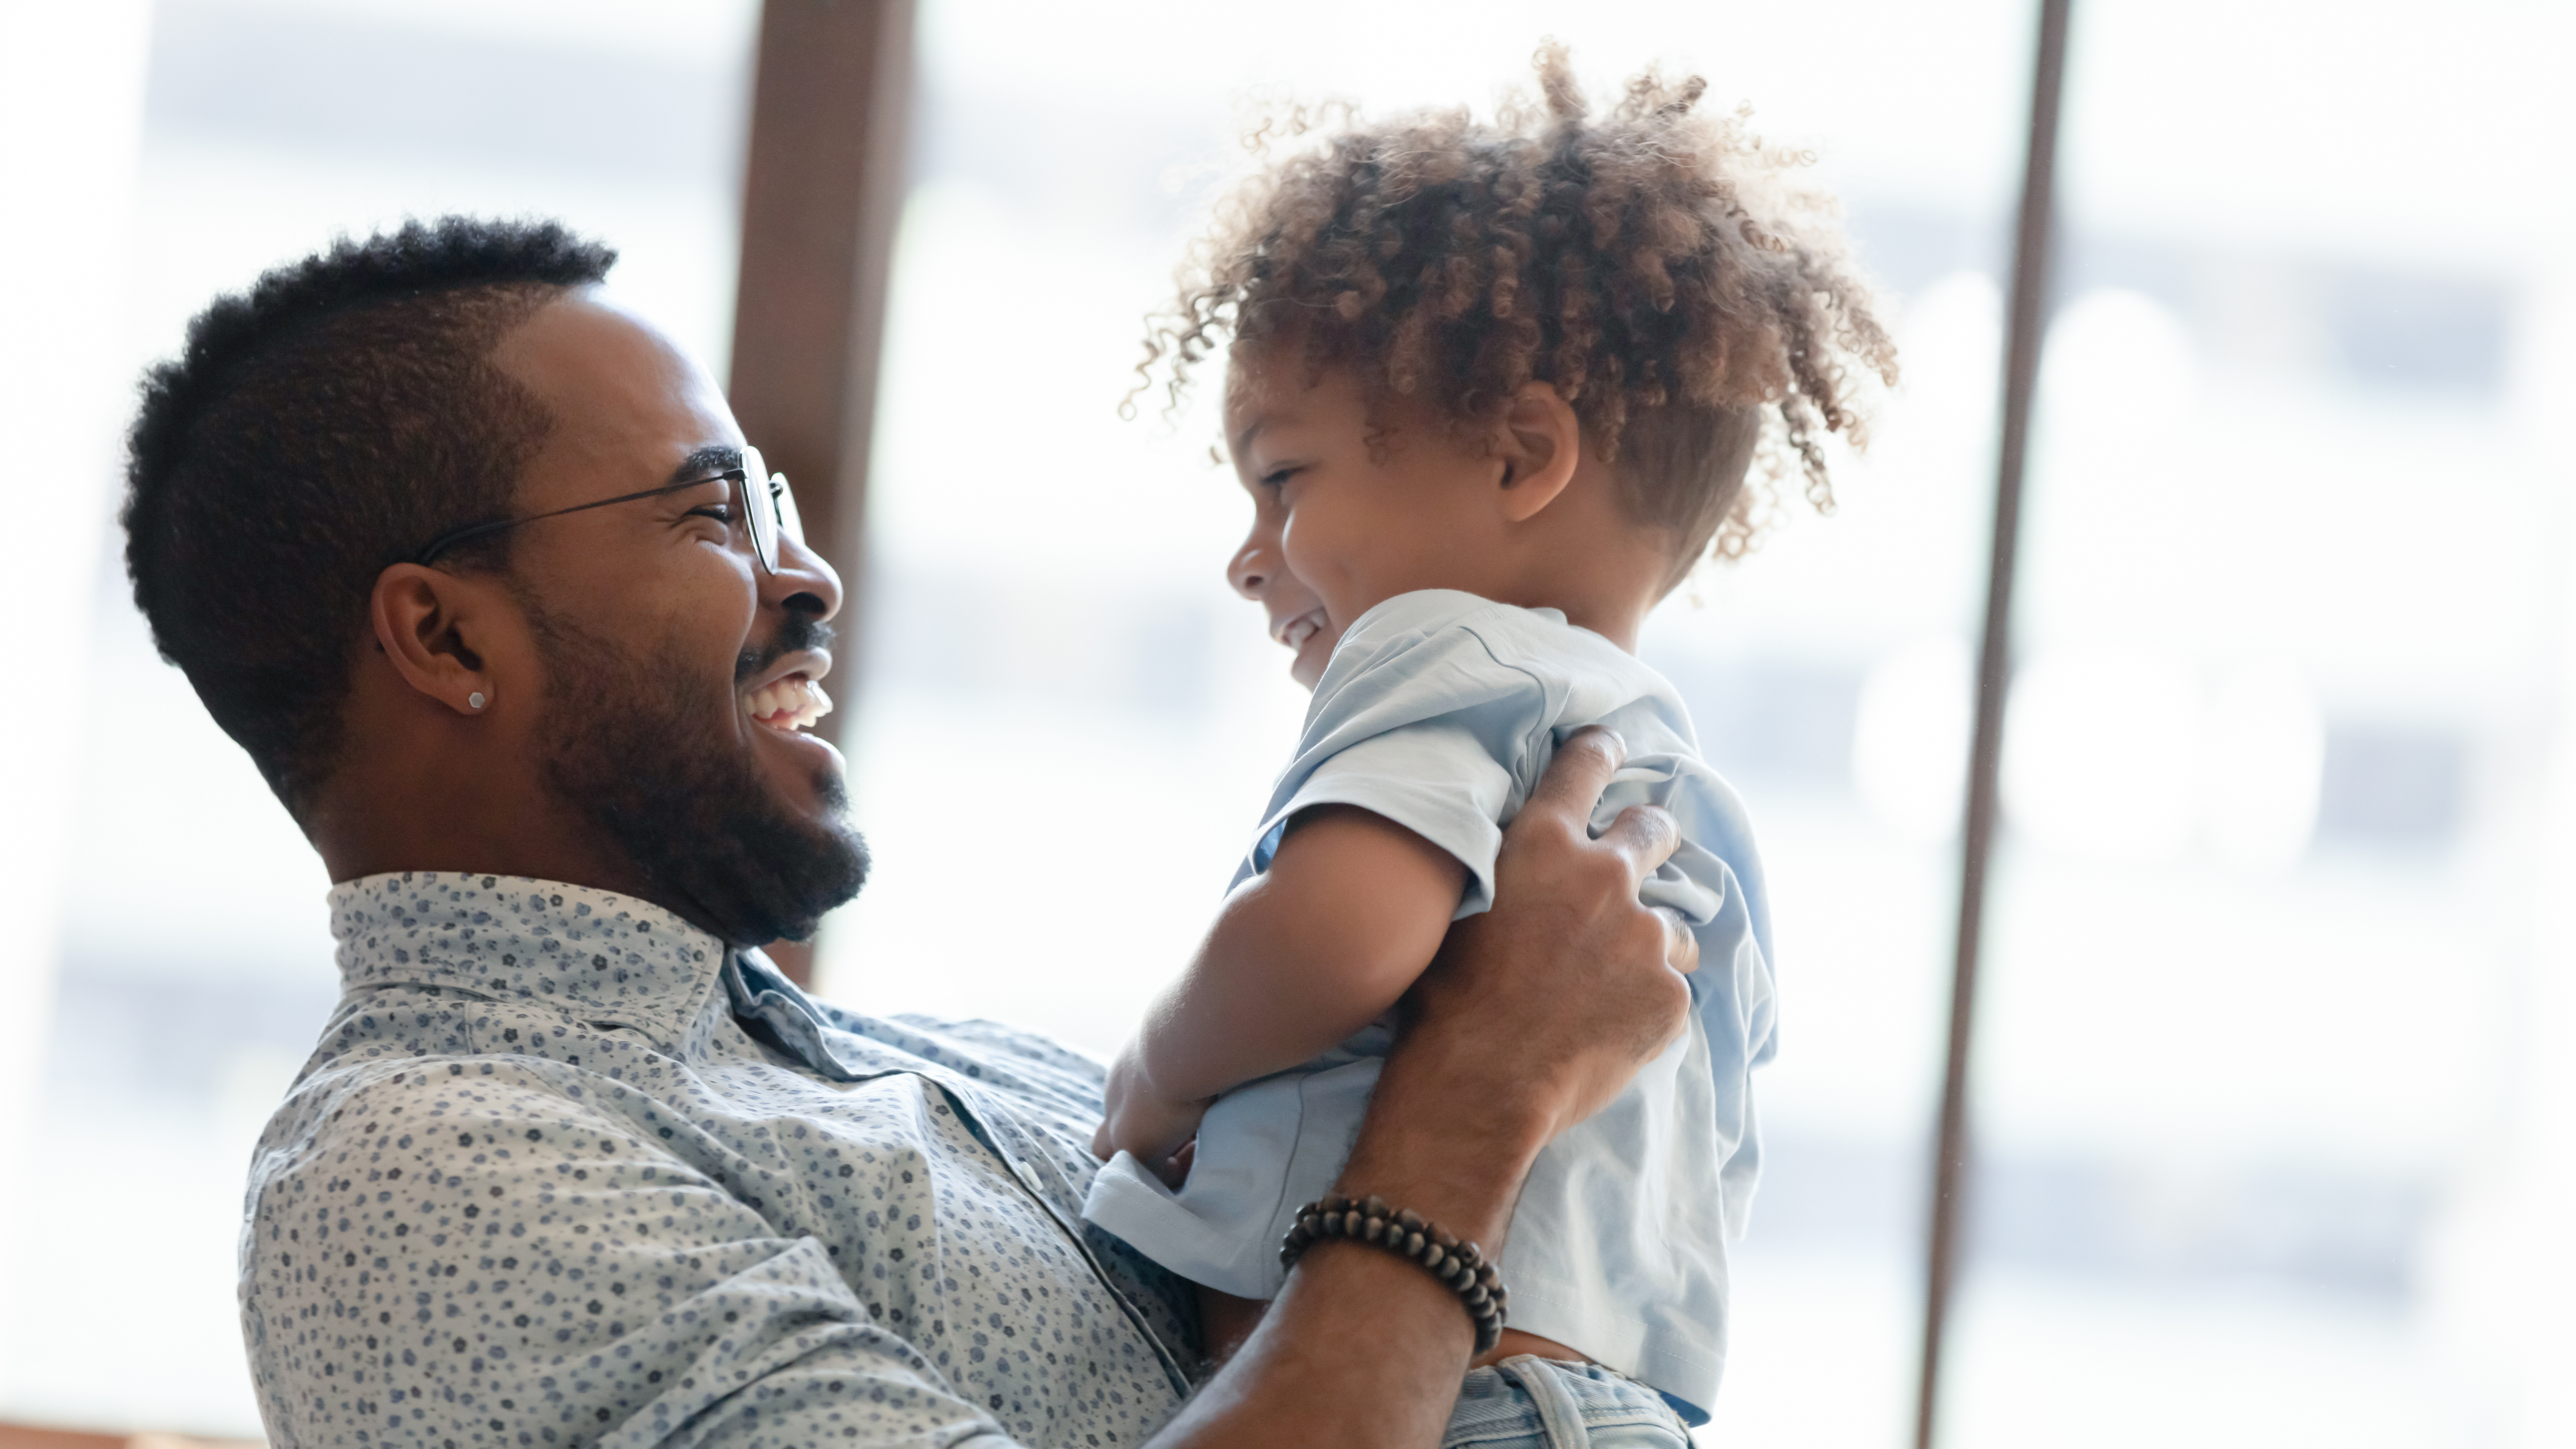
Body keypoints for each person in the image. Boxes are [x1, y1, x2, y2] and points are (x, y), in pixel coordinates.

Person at [120, 214, 1702, 1449]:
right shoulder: (428, 1180)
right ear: (446, 642)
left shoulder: (961, 1074)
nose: (807, 578)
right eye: (708, 514)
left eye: (781, 503)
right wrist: (1480, 1094)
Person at [1082, 46, 1898, 1435]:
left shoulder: (1446, 649)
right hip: (1613, 1400)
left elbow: (1339, 937)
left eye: (1283, 478)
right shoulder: (1685, 800)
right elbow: (1719, 1175)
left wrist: (1154, 1070)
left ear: (1522, 456)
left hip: (1453, 1393)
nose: (1248, 557)